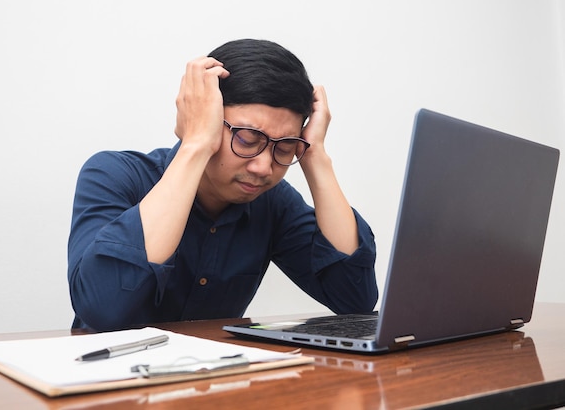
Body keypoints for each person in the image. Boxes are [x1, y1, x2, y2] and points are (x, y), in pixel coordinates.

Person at [68, 38, 378, 331]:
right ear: (206, 119)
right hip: (109, 382)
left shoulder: (273, 203)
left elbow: (355, 300)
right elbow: (103, 309)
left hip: (215, 383)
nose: (263, 167)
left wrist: (317, 157)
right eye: (247, 139)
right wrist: (195, 144)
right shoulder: (112, 174)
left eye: (284, 148)